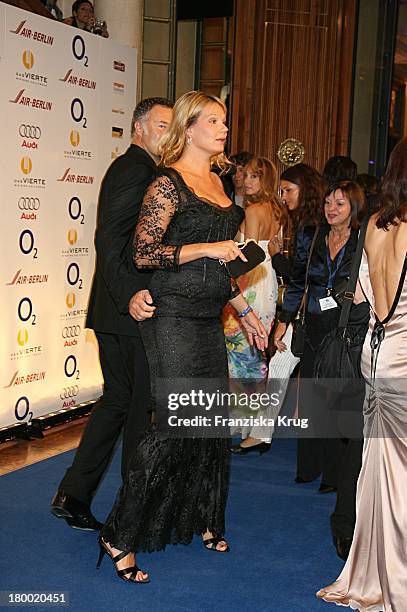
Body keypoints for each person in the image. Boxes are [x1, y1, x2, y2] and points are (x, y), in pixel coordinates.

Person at [98, 91, 267, 583]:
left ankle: (203, 516)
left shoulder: (219, 182)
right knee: (174, 422)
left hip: (209, 314)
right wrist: (206, 247)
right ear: (189, 129)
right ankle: (120, 532)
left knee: (211, 422)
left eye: (225, 121)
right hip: (170, 315)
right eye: (213, 120)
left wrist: (244, 309)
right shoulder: (165, 184)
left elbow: (225, 264)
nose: (224, 129)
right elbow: (145, 253)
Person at [50, 98, 173, 530]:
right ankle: (130, 513)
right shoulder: (135, 170)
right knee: (138, 407)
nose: (167, 132)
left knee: (119, 401)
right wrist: (131, 296)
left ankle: (74, 494)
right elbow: (109, 239)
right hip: (127, 310)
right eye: (161, 124)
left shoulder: (148, 171)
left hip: (119, 309)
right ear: (139, 128)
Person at [317, 139, 407, 611]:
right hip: (405, 357)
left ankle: (373, 571)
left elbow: (360, 297)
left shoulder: (373, 225)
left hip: (378, 353)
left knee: (379, 471)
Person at [274, 181, 367, 492]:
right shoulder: (312, 235)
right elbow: (298, 281)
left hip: (345, 330)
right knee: (312, 397)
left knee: (339, 399)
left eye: (339, 203)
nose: (331, 208)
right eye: (328, 202)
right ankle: (310, 466)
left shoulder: (363, 241)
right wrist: (284, 319)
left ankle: (334, 474)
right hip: (314, 327)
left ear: (353, 208)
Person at [225, 156, 285, 453]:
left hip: (250, 284)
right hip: (268, 283)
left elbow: (246, 257)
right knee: (257, 352)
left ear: (266, 180)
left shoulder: (252, 210)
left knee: (241, 354)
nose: (246, 181)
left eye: (254, 177)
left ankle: (245, 424)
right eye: (245, 175)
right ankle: (252, 425)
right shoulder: (277, 210)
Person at [268, 163, 325, 280]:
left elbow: (298, 274)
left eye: (288, 190)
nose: (283, 197)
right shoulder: (318, 218)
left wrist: (276, 256)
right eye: (282, 191)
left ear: (305, 189)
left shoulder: (309, 225)